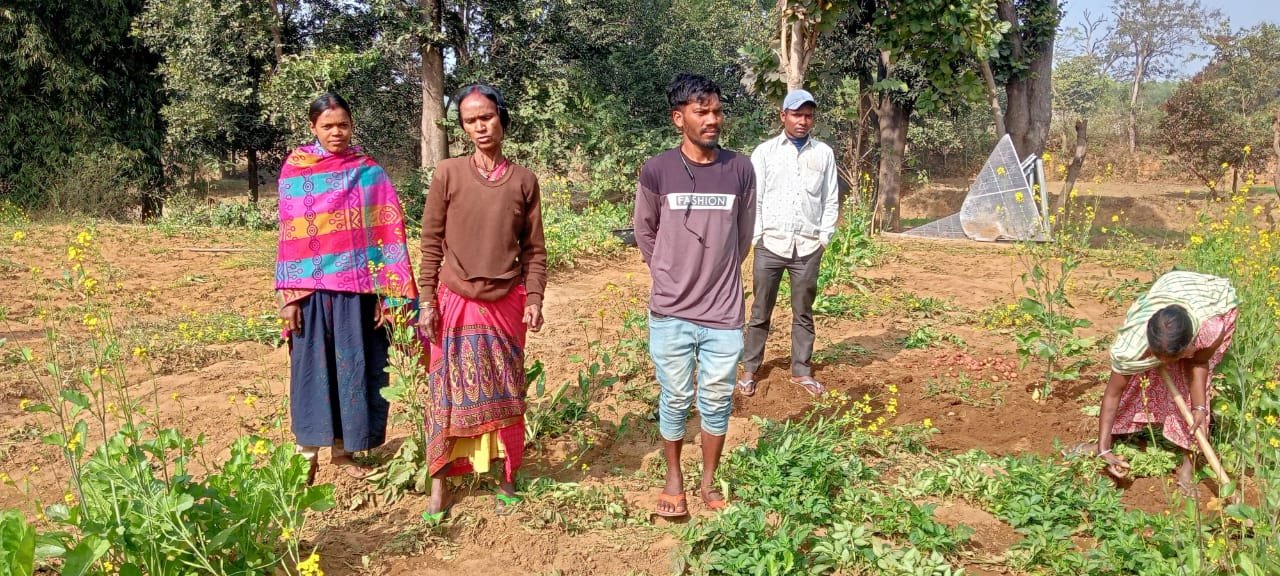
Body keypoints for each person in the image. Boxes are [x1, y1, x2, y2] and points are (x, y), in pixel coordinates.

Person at [417, 83, 547, 520]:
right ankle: (441, 483)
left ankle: (507, 476)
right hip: (455, 299)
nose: (480, 126)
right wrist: (426, 301)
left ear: (501, 118)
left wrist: (534, 296)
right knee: (445, 391)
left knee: (507, 391)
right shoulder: (448, 174)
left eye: (486, 117)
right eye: (470, 120)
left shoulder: (524, 180)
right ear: (463, 127)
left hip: (505, 302)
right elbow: (431, 242)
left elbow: (534, 250)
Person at [276, 92, 420, 484]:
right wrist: (289, 296)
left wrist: (390, 294)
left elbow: (389, 233)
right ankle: (305, 456)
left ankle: (344, 451)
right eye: (328, 126)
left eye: (343, 125)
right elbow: (289, 238)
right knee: (311, 371)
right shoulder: (296, 170)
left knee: (354, 369)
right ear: (313, 128)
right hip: (311, 292)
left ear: (352, 125)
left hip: (359, 291)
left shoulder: (369, 172)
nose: (336, 132)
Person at [634, 73, 756, 517]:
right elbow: (644, 230)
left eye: (717, 111)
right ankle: (673, 477)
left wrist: (716, 275)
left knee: (718, 398)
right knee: (675, 397)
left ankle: (708, 482)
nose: (712, 119)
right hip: (670, 310)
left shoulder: (739, 168)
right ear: (677, 117)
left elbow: (743, 237)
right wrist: (668, 270)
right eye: (701, 111)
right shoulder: (658, 170)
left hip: (723, 312)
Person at [1094, 270, 1238, 493]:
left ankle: (1187, 469)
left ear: (1190, 344)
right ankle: (1108, 439)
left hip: (1212, 297)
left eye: (1176, 355)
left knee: (1193, 391)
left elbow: (1198, 364)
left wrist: (1199, 407)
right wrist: (1103, 449)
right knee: (1142, 378)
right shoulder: (1130, 346)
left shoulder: (1210, 327)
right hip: (1170, 287)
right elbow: (1113, 393)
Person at [739, 89, 839, 397]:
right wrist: (757, 237)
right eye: (797, 114)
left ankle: (801, 371)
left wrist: (824, 237)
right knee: (759, 310)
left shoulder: (823, 153)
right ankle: (750, 370)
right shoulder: (766, 152)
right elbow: (755, 198)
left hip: (808, 247)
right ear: (783, 116)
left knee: (803, 311)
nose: (803, 121)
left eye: (808, 116)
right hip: (771, 245)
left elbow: (830, 198)